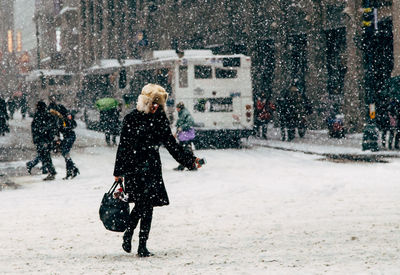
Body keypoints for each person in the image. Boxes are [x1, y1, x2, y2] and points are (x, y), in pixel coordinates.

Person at [113, 84, 203, 257]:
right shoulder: (131, 118)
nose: (155, 107)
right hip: (135, 167)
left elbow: (171, 144)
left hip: (152, 167)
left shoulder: (160, 119)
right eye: (153, 103)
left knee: (147, 206)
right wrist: (119, 172)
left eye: (158, 104)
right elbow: (123, 147)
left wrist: (190, 161)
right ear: (145, 102)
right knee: (142, 204)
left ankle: (141, 244)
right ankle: (130, 233)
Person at [48, 95, 80, 179]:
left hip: (70, 136)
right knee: (65, 154)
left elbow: (73, 124)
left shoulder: (64, 117)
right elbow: (57, 130)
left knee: (65, 153)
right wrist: (58, 138)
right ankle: (71, 171)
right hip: (66, 137)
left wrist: (66, 127)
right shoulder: (56, 120)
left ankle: (72, 170)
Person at [28, 101, 57, 181]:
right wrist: (50, 137)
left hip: (41, 139)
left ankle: (51, 171)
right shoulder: (47, 114)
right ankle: (50, 171)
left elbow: (35, 129)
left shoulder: (39, 115)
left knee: (44, 156)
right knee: (45, 155)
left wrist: (37, 138)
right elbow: (53, 126)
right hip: (45, 139)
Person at [174, 101, 196, 171]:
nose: (176, 109)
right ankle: (185, 165)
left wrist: (182, 127)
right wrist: (177, 132)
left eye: (177, 108)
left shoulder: (185, 113)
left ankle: (191, 166)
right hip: (184, 136)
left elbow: (191, 122)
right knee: (184, 151)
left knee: (186, 151)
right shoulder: (181, 114)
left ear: (179, 108)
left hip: (186, 136)